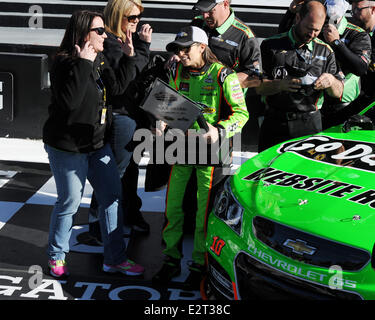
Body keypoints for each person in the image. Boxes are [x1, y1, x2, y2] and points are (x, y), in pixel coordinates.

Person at [42, 10, 144, 278]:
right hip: (67, 147)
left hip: (98, 144)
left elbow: (119, 87)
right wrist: (83, 64)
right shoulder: (64, 62)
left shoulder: (99, 58)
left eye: (104, 31)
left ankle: (115, 259)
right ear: (83, 34)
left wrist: (130, 55)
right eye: (99, 31)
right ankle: (56, 254)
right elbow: (68, 105)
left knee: (112, 198)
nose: (105, 35)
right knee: (69, 202)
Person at [152, 26, 249, 287]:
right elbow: (168, 104)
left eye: (186, 48)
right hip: (182, 147)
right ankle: (170, 260)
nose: (181, 54)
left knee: (202, 213)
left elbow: (242, 114)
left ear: (202, 47)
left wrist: (220, 130)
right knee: (173, 208)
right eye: (178, 49)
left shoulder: (224, 74)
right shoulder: (177, 70)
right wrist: (161, 120)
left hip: (211, 149)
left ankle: (199, 264)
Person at [88, 0, 152, 243]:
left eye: (138, 16)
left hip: (134, 115)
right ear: (118, 16)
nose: (137, 21)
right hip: (119, 117)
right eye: (132, 17)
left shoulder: (126, 40)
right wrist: (143, 49)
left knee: (129, 171)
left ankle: (129, 214)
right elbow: (121, 85)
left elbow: (139, 74)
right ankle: (96, 223)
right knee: (113, 173)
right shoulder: (110, 44)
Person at [256, 0, 345, 152]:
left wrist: (331, 81)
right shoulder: (270, 45)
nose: (312, 34)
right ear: (297, 18)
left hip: (309, 124)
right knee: (265, 172)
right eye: (309, 28)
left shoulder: (326, 51)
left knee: (307, 173)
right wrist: (279, 85)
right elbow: (257, 87)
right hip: (275, 122)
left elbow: (339, 93)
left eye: (317, 30)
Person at [279, 0, 372, 129]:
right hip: (311, 104)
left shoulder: (357, 33)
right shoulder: (315, 29)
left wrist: (337, 43)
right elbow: (283, 37)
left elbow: (360, 68)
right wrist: (291, 12)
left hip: (343, 106)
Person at [346, 0, 375, 114]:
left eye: (358, 10)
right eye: (352, 11)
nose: (354, 15)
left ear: (373, 9)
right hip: (356, 105)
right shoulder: (354, 34)